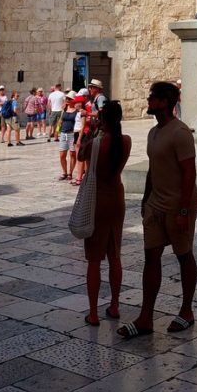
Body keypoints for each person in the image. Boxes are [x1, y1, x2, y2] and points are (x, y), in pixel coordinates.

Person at [118, 80, 197, 339]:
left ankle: (186, 311)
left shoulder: (181, 133)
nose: (148, 101)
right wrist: (145, 198)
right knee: (150, 257)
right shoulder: (154, 133)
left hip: (177, 205)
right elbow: (153, 168)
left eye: (153, 98)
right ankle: (145, 318)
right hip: (155, 203)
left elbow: (189, 174)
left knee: (183, 255)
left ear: (165, 102)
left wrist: (184, 210)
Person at [82, 100, 132, 326]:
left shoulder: (96, 144)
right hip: (117, 199)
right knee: (114, 255)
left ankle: (93, 312)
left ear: (104, 119)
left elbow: (80, 153)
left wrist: (93, 131)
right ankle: (114, 304)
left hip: (98, 200)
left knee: (94, 259)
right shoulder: (126, 142)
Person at [58, 92, 79, 180]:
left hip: (72, 134)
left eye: (69, 99)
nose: (67, 100)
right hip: (63, 133)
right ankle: (64, 172)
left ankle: (70, 173)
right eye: (66, 98)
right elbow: (60, 120)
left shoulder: (77, 110)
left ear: (73, 100)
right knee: (62, 155)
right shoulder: (64, 109)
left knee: (72, 154)